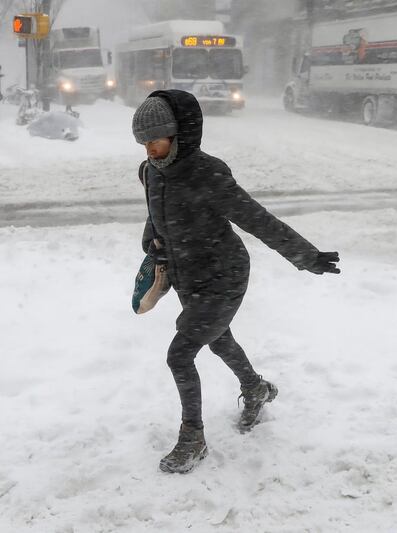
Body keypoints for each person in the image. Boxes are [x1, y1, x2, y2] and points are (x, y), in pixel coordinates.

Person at [132, 90, 340, 474]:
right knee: (217, 339)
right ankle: (256, 388)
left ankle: (192, 438)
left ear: (180, 134)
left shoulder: (207, 173)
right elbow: (155, 215)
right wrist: (154, 243)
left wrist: (306, 256)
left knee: (180, 354)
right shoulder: (151, 173)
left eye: (155, 141)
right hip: (185, 274)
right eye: (143, 142)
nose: (149, 150)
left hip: (223, 274)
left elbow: (257, 219)